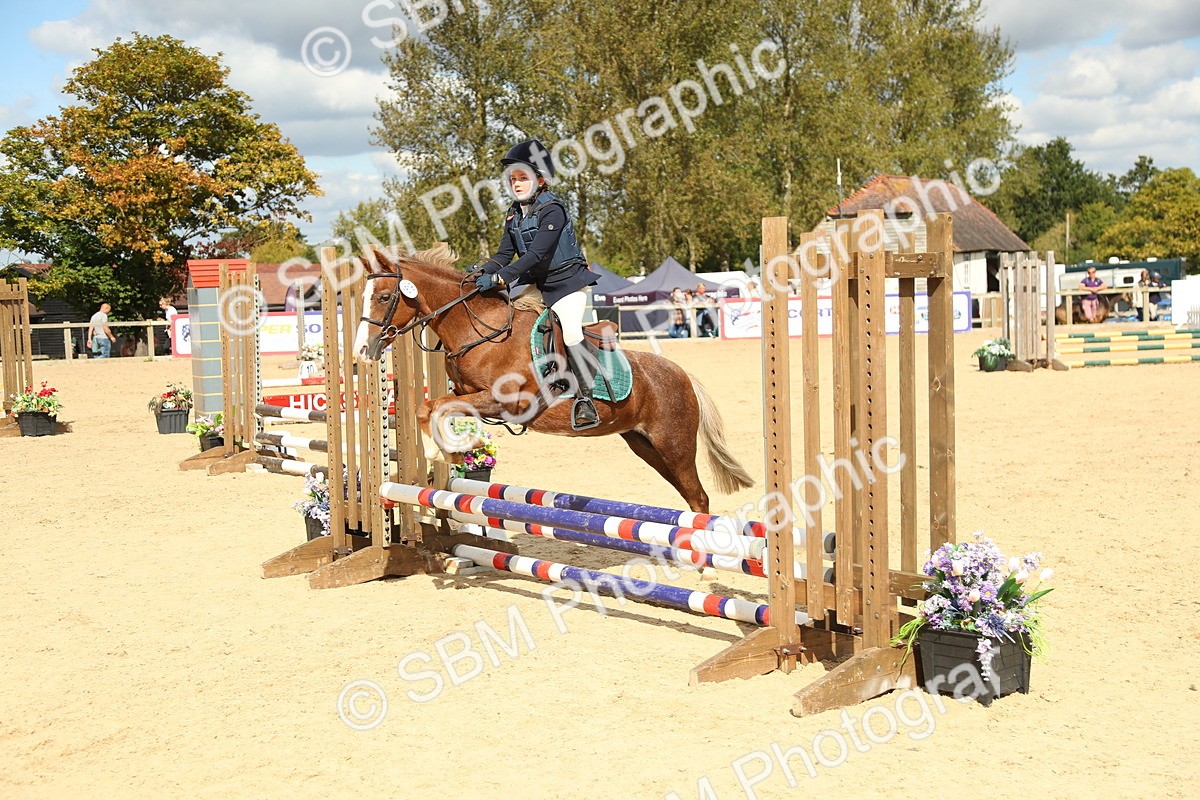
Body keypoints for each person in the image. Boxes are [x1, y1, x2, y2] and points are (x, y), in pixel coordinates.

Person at [474, 139, 600, 430]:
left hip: (568, 284)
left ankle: (585, 400)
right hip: (538, 285)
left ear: (540, 180)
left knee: (569, 333)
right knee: (503, 318)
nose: (516, 184)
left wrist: (503, 277)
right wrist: (482, 271)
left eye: (523, 178)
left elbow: (536, 254)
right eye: (513, 179)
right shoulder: (513, 213)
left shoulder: (553, 209)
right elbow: (504, 254)